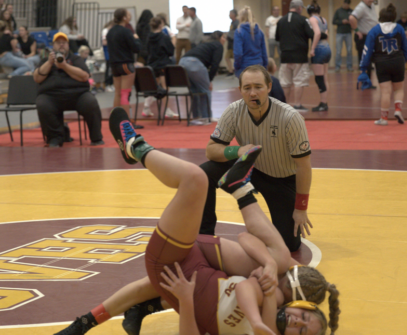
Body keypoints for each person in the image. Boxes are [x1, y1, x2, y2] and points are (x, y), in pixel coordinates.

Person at [54, 108, 334, 335]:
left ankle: (138, 148)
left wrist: (187, 302)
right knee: (277, 256)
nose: (297, 323)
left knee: (196, 181)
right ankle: (105, 318)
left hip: (192, 266)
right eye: (304, 319)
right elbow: (247, 245)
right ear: (301, 304)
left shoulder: (269, 305)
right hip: (200, 257)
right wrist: (271, 267)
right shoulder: (269, 290)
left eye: (301, 330)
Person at [200, 65, 313, 253]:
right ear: (240, 90)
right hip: (248, 170)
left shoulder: (290, 117)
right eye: (247, 88)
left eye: (258, 87)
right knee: (203, 173)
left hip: (282, 180)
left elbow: (303, 166)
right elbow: (211, 150)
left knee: (289, 245)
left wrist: (301, 208)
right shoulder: (233, 111)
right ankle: (204, 234)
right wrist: (238, 151)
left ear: (269, 87)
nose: (253, 93)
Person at [33, 32, 104, 147]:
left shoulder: (76, 59)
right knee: (42, 103)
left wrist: (65, 66)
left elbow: (84, 76)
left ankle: (96, 137)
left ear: (68, 45)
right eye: (58, 43)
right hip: (51, 96)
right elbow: (37, 78)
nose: (61, 45)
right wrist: (50, 63)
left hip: (77, 95)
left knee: (90, 102)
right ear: (53, 46)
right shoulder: (45, 60)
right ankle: (54, 138)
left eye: (64, 43)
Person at [360, 3, 407, 126]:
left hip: (382, 63)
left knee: (385, 92)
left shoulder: (375, 30)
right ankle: (398, 110)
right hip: (397, 61)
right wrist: (406, 59)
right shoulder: (399, 28)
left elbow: (367, 50)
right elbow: (405, 46)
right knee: (399, 89)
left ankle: (384, 119)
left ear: (380, 17)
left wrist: (364, 67)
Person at [275, 0, 314, 111]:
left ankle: (284, 106)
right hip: (299, 56)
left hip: (285, 56)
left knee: (285, 83)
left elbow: (277, 37)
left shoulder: (281, 21)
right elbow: (311, 34)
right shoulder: (303, 19)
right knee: (299, 81)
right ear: (299, 8)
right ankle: (297, 104)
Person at [179, 31, 225, 124]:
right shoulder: (218, 45)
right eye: (224, 37)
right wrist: (209, 80)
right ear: (219, 38)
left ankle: (196, 117)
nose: (225, 39)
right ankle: (206, 117)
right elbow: (215, 64)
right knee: (205, 90)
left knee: (194, 90)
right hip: (194, 63)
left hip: (182, 62)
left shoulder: (205, 43)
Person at [106, 8, 143, 118]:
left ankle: (116, 120)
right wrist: (137, 39)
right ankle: (126, 121)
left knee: (117, 93)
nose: (130, 16)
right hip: (125, 64)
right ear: (124, 18)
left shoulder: (110, 32)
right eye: (128, 15)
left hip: (114, 65)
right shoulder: (126, 31)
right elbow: (136, 48)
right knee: (125, 94)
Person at [143, 16, 178, 118]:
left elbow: (147, 51)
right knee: (165, 87)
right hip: (163, 65)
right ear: (161, 25)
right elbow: (170, 51)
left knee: (153, 86)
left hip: (152, 65)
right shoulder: (164, 37)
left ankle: (146, 108)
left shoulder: (149, 37)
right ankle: (167, 110)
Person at [349, 0, 378, 89]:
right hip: (363, 37)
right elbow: (351, 18)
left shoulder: (371, 5)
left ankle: (368, 81)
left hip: (370, 37)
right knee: (365, 60)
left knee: (369, 60)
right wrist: (357, 30)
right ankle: (365, 82)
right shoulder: (361, 7)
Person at [307, 1, 331, 112]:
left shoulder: (312, 19)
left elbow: (317, 33)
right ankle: (324, 102)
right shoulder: (323, 19)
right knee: (325, 77)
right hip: (327, 48)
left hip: (319, 49)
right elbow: (326, 34)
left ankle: (323, 103)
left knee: (319, 78)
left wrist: (312, 48)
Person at [234, 6, 268, 78]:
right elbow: (264, 52)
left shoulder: (239, 31)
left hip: (245, 66)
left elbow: (238, 53)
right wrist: (265, 66)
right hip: (259, 65)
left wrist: (236, 67)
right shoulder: (260, 31)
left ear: (241, 18)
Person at [332, 0, 353, 72]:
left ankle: (349, 66)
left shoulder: (351, 11)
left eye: (348, 5)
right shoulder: (338, 11)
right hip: (339, 33)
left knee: (349, 50)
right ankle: (337, 66)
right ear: (343, 3)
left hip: (348, 33)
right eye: (345, 4)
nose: (346, 6)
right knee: (338, 50)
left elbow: (354, 21)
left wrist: (349, 22)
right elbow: (333, 21)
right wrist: (342, 21)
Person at [101, 20, 115, 92]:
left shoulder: (110, 31)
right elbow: (104, 42)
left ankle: (111, 83)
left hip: (111, 50)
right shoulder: (105, 31)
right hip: (107, 50)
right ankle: (107, 84)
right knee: (108, 67)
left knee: (112, 68)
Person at [225, 9, 239, 76]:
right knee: (227, 57)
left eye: (230, 14)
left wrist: (228, 35)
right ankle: (231, 70)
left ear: (233, 15)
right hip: (230, 44)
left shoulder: (236, 23)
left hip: (234, 44)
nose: (229, 15)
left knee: (234, 58)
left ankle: (234, 70)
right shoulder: (232, 22)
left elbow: (235, 33)